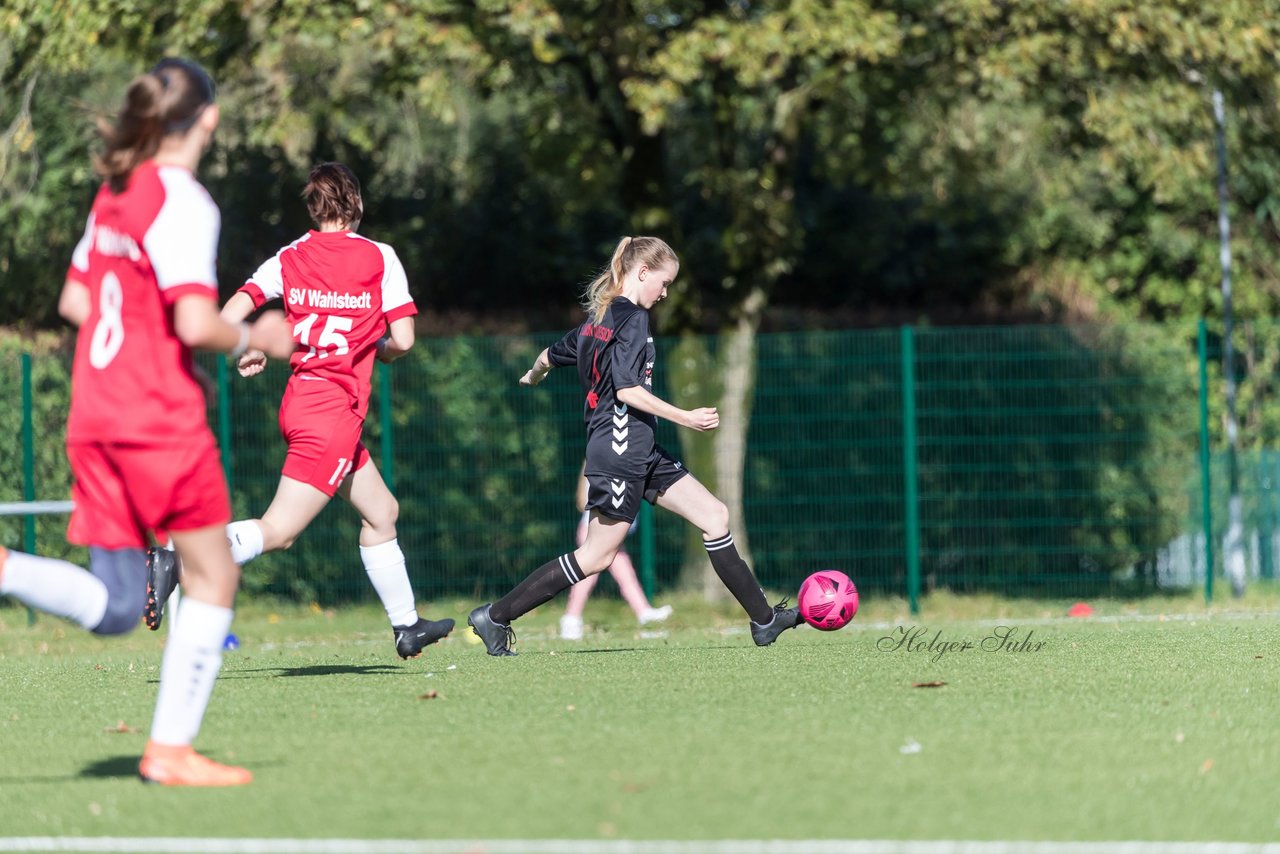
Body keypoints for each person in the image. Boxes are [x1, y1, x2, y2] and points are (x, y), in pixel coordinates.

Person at [0, 58, 295, 785]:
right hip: (156, 419)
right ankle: (169, 752)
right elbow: (196, 319)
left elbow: (75, 303)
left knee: (118, 605)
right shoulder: (185, 200)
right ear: (210, 120)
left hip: (95, 415)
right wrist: (262, 337)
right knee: (213, 574)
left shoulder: (116, 192)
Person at [145, 162, 454, 659]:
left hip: (304, 404)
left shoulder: (289, 257)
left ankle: (407, 625)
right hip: (332, 411)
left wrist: (246, 346)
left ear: (313, 208)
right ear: (357, 204)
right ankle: (178, 557)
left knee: (382, 512)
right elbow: (404, 339)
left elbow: (228, 313)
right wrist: (383, 352)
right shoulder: (380, 257)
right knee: (280, 532)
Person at [468, 236, 800, 655]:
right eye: (663, 283)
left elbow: (549, 355)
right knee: (594, 557)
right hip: (620, 450)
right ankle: (495, 617)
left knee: (715, 516)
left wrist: (532, 376)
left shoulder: (597, 319)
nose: (664, 293)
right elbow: (627, 390)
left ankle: (764, 621)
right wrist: (686, 417)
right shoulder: (632, 318)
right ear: (642, 273)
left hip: (638, 449)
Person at [559, 464, 671, 640]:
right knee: (587, 576)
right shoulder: (594, 463)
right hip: (593, 530)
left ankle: (644, 612)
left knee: (625, 575)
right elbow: (582, 501)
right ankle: (571, 618)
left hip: (610, 533)